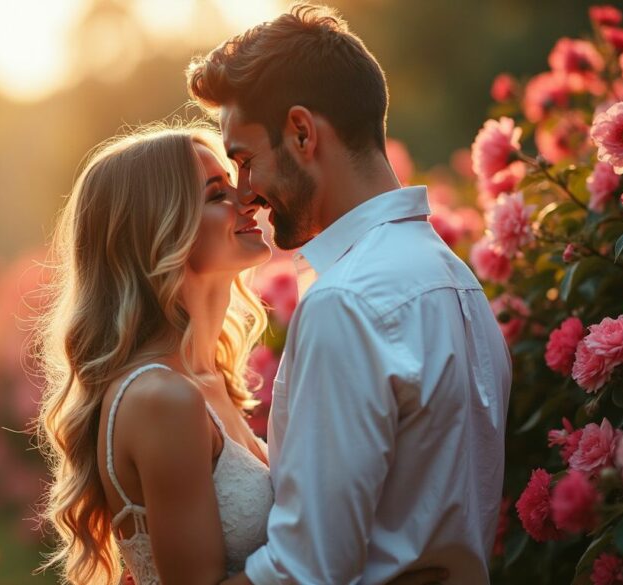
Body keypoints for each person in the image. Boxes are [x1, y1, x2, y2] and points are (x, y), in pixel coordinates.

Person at [35, 124, 449, 585]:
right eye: (217, 195)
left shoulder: (207, 382)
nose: (249, 198)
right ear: (161, 230)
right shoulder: (161, 398)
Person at [186, 4, 512, 584]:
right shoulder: (457, 281)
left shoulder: (347, 303)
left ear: (302, 132)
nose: (246, 194)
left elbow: (305, 571)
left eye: (244, 160)